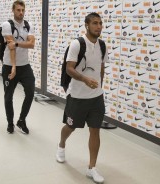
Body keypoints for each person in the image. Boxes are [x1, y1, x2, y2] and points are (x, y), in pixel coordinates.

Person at [56, 12, 108, 183]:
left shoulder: (102, 45)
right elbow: (69, 69)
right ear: (87, 25)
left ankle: (92, 168)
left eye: (100, 23)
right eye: (95, 23)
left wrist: (99, 85)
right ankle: (61, 145)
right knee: (69, 127)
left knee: (95, 130)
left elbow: (101, 66)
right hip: (77, 97)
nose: (98, 26)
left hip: (96, 98)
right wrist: (85, 80)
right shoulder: (77, 44)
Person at [1, 0, 35, 134]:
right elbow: (11, 48)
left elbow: (32, 44)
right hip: (9, 65)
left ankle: (21, 120)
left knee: (30, 93)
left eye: (23, 10)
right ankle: (10, 123)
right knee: (8, 97)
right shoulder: (7, 25)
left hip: (25, 66)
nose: (21, 13)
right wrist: (14, 66)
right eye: (18, 10)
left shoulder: (28, 25)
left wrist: (16, 44)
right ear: (13, 10)